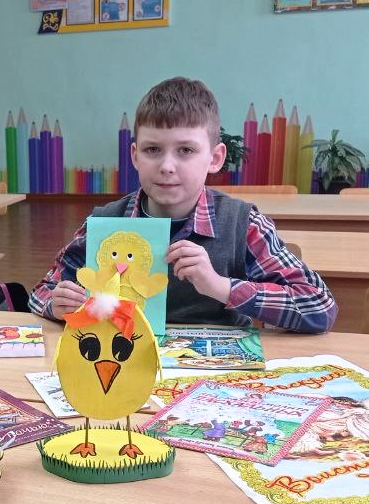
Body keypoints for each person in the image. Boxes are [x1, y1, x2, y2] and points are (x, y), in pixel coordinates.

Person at [29, 76, 337, 334]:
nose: (167, 166)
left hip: (216, 375)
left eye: (186, 150)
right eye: (152, 149)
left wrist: (221, 286)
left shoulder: (243, 224)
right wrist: (57, 305)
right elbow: (42, 292)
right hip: (123, 365)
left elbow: (319, 306)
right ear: (135, 156)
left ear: (215, 158)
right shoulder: (105, 223)